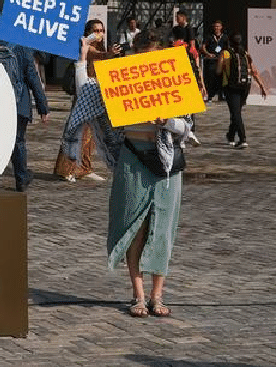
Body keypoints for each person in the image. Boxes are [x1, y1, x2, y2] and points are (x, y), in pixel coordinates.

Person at [62, 29, 192, 318]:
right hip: (132, 157)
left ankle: (157, 295)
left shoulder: (171, 77)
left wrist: (166, 121)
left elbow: (187, 127)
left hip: (167, 164)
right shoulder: (123, 78)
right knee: (134, 226)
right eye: (140, 56)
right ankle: (138, 294)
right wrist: (81, 59)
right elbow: (87, 94)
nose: (145, 62)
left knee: (163, 228)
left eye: (151, 56)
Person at [0, 24, 49, 192]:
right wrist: (42, 107)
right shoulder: (22, 47)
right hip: (19, 102)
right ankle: (21, 178)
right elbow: (32, 77)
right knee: (18, 140)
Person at [54, 19, 113, 183]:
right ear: (88, 32)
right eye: (96, 31)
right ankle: (66, 169)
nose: (100, 34)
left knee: (91, 135)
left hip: (96, 96)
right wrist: (108, 54)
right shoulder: (85, 47)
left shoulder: (101, 48)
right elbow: (96, 55)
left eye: (102, 31)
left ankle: (85, 168)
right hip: (83, 96)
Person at [217, 33, 267, 149]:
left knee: (236, 114)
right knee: (236, 112)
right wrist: (261, 86)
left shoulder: (225, 53)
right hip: (244, 87)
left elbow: (218, 71)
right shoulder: (245, 54)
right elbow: (253, 71)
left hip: (231, 87)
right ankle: (230, 136)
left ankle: (242, 139)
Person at [201, 20, 227, 102]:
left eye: (218, 26)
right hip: (211, 61)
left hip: (221, 60)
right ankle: (210, 95)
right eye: (215, 26)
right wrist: (208, 54)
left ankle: (221, 95)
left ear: (221, 27)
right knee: (211, 78)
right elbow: (203, 47)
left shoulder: (225, 37)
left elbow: (228, 48)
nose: (217, 28)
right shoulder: (209, 37)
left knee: (221, 77)